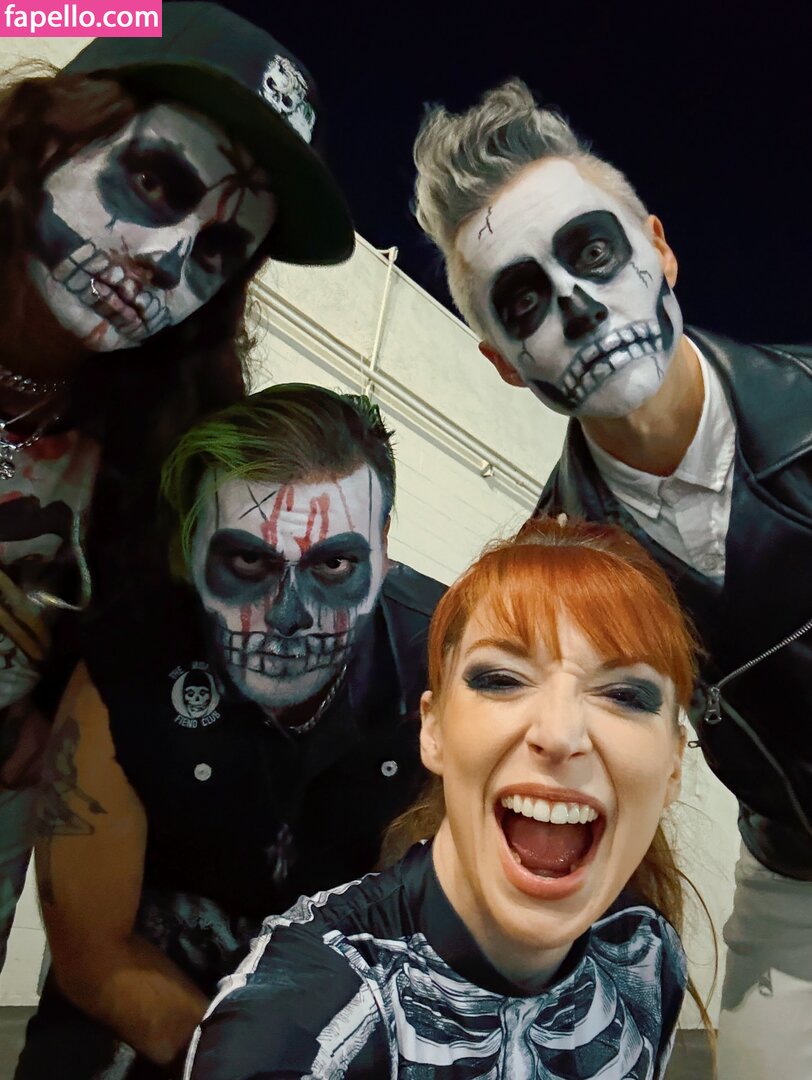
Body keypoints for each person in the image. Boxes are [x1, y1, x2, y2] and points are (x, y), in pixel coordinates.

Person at [412, 80, 812, 1079]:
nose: (579, 309)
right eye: (523, 301)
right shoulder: (557, 573)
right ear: (504, 363)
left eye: (591, 252)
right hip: (795, 879)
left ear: (657, 249)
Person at [0, 0, 354, 968]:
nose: (165, 262)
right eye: (157, 181)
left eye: (217, 251)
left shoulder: (162, 457)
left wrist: (55, 707)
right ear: (52, 134)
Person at [17, 384, 445, 1078]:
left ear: (383, 545)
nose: (288, 617)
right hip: (132, 1027)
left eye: (334, 564)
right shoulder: (129, 664)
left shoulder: (449, 667)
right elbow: (94, 955)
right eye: (248, 561)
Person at [184, 516, 706, 1080]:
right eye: (503, 679)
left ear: (674, 765)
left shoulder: (645, 955)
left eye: (624, 694)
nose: (559, 734)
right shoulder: (292, 1023)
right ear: (433, 730)